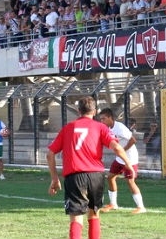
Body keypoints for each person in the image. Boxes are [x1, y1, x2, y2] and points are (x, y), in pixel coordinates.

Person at [47, 96, 134, 239]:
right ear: (95, 111)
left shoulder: (68, 128)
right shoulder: (100, 127)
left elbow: (50, 154)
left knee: (76, 218)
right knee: (94, 215)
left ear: (78, 111)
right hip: (96, 176)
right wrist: (128, 164)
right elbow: (117, 147)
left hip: (74, 176)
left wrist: (55, 179)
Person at [97, 108, 146, 214]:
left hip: (130, 158)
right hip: (120, 158)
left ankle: (141, 207)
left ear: (110, 118)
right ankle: (113, 204)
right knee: (110, 177)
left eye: (103, 119)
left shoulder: (120, 128)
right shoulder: (107, 128)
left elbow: (133, 140)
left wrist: (123, 150)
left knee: (130, 181)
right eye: (100, 119)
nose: (102, 121)